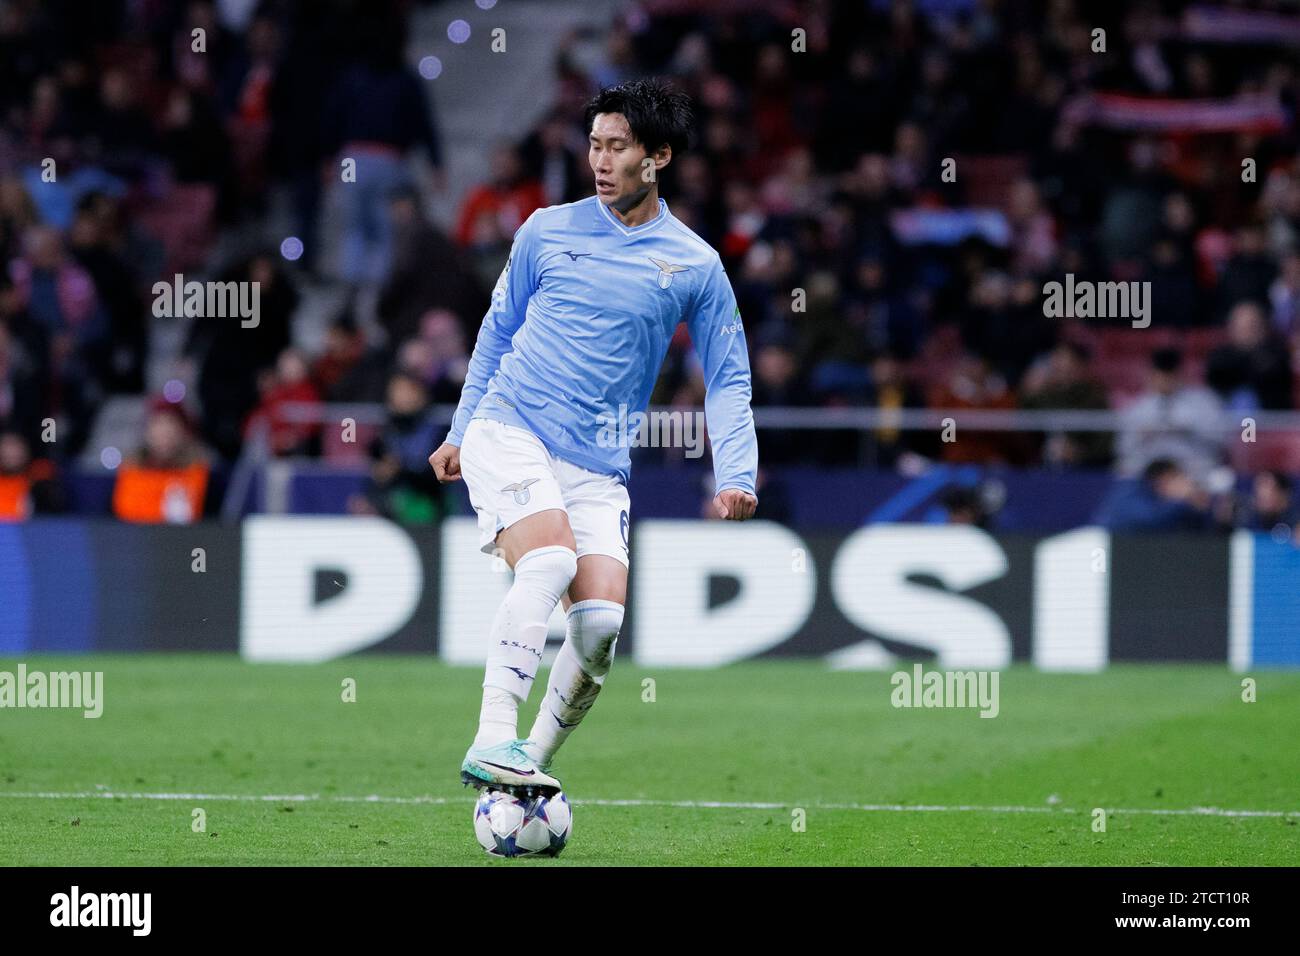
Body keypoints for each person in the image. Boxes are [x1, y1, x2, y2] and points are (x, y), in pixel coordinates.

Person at [428, 80, 758, 797]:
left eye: (618, 147)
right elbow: (497, 330)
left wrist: (737, 473)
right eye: (595, 145)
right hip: (511, 425)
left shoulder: (695, 263)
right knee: (547, 562)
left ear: (659, 155)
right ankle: (493, 737)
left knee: (601, 624)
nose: (600, 161)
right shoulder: (546, 229)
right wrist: (459, 429)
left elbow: (728, 376)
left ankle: (523, 768)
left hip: (598, 463)